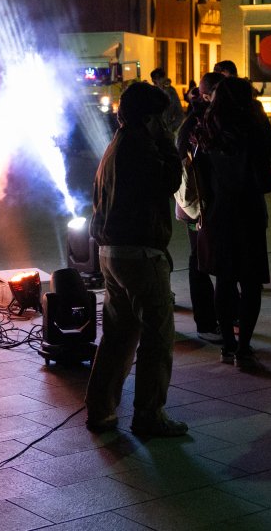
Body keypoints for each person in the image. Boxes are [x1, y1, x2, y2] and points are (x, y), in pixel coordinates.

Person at [85, 81, 187, 438]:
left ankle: (101, 410)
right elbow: (169, 181)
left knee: (118, 335)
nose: (165, 123)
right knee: (157, 337)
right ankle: (149, 415)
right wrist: (169, 144)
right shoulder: (141, 147)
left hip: (111, 252)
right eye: (161, 118)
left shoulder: (115, 145)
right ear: (149, 118)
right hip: (141, 253)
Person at [195, 76, 271, 368]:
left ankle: (227, 345)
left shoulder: (207, 131)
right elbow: (264, 181)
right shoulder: (253, 132)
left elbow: (199, 176)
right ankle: (244, 349)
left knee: (224, 281)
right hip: (248, 213)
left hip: (217, 214)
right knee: (250, 283)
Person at [175, 72, 223, 337]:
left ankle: (214, 317)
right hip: (198, 207)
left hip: (194, 206)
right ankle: (206, 321)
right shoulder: (201, 125)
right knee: (200, 260)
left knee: (202, 259)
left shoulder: (193, 123)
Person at [151, 68, 184, 134]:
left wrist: (170, 128)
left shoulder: (171, 92)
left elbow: (179, 114)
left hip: (166, 132)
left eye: (159, 79)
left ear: (163, 78)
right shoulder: (152, 92)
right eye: (155, 80)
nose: (157, 82)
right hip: (153, 132)